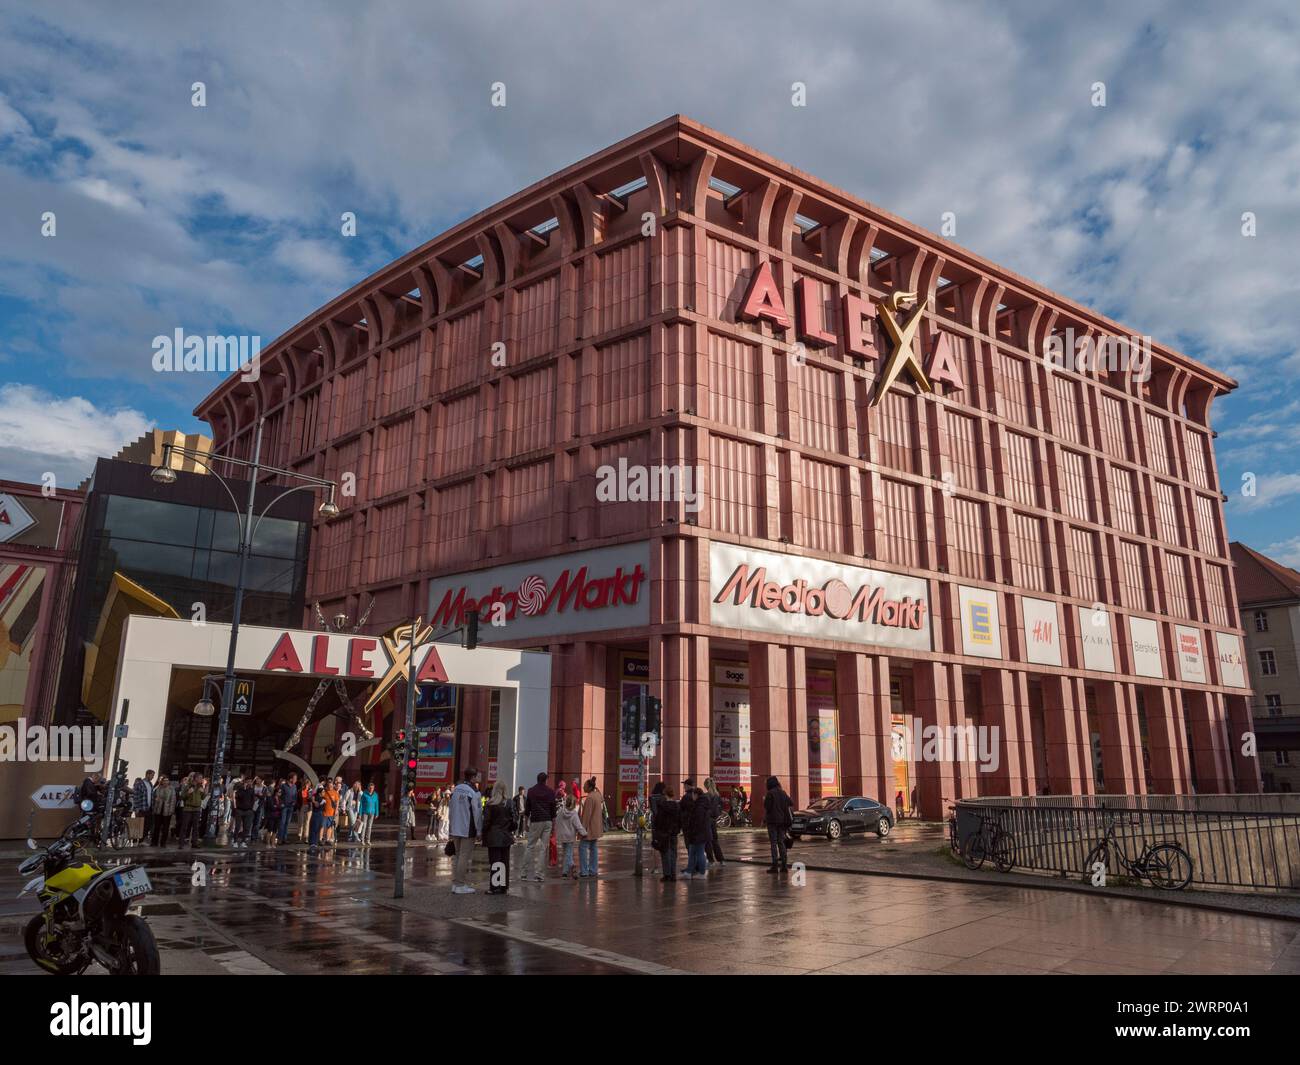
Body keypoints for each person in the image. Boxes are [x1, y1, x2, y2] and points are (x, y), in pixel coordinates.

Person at [449, 768, 483, 894]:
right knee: (464, 856)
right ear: (473, 778)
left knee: (457, 856)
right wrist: (479, 830)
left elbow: (451, 808)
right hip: (467, 827)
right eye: (476, 776)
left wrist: (450, 827)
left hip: (455, 827)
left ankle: (455, 883)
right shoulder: (474, 792)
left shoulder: (456, 788)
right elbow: (477, 813)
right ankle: (460, 884)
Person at [482, 781, 516, 894]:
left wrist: (483, 834)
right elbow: (514, 822)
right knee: (504, 861)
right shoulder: (509, 803)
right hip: (506, 835)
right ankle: (503, 886)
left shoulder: (490, 804)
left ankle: (494, 887)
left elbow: (486, 822)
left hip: (493, 835)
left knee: (495, 861)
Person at [523, 771, 557, 882]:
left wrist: (525, 823)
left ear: (537, 779)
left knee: (530, 846)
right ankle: (539, 874)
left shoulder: (531, 791)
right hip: (547, 821)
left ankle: (524, 873)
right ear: (545, 780)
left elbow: (527, 809)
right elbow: (553, 810)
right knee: (543, 848)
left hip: (536, 820)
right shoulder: (551, 792)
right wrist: (554, 825)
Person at [763, 775, 794, 873]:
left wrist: (764, 800)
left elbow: (767, 807)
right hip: (782, 822)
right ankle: (784, 866)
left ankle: (775, 866)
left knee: (773, 843)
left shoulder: (770, 793)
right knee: (781, 842)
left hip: (772, 822)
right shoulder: (783, 792)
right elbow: (791, 803)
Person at [651, 784, 681, 881]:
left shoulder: (662, 806)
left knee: (665, 853)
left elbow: (659, 820)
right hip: (674, 833)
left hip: (664, 833)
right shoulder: (677, 806)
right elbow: (680, 820)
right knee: (673, 853)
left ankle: (667, 875)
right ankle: (673, 874)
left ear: (665, 794)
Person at [555, 793, 586, 879]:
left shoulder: (561, 811)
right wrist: (584, 833)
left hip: (562, 836)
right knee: (568, 853)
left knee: (566, 854)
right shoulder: (574, 814)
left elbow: (557, 822)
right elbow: (578, 826)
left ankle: (564, 873)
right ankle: (572, 865)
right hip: (570, 836)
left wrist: (558, 831)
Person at [578, 777, 604, 878]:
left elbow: (586, 816)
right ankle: (593, 870)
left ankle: (584, 871)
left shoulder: (589, 798)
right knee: (593, 848)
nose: (583, 787)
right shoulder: (597, 795)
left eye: (585, 785)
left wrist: (582, 830)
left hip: (589, 828)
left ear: (589, 787)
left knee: (583, 848)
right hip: (597, 827)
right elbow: (602, 798)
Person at [683, 787, 711, 879]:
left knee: (699, 853)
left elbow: (697, 821)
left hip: (699, 833)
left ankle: (702, 873)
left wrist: (693, 831)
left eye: (693, 795)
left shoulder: (699, 806)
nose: (692, 797)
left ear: (696, 795)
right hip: (700, 833)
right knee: (692, 852)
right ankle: (689, 871)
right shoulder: (702, 804)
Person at [177, 773, 206, 848]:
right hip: (188, 809)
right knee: (184, 826)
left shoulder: (200, 786)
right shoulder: (188, 786)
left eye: (201, 778)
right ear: (195, 778)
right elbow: (182, 797)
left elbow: (203, 797)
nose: (201, 779)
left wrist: (203, 792)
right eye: (200, 778)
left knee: (196, 827)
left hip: (197, 809)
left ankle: (194, 843)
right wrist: (188, 793)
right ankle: (181, 843)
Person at [703, 777, 725, 866]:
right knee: (715, 840)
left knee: (708, 840)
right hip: (714, 820)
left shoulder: (705, 796)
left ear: (706, 785)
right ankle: (721, 859)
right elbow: (720, 808)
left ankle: (711, 860)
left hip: (707, 820)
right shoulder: (717, 795)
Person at [151, 775, 176, 847]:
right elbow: (154, 797)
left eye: (167, 780)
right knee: (156, 827)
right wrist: (156, 802)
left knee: (165, 828)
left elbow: (173, 800)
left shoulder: (171, 789)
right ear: (162, 781)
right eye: (164, 780)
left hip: (167, 811)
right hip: (158, 810)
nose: (166, 782)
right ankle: (154, 842)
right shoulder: (158, 788)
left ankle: (163, 843)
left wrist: (171, 811)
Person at [132, 770, 156, 845]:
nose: (153, 777)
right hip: (141, 807)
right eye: (152, 775)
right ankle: (135, 841)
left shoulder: (150, 784)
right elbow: (135, 796)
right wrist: (136, 808)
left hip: (148, 808)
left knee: (147, 825)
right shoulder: (140, 783)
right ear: (147, 775)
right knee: (138, 824)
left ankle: (141, 841)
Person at [233, 775, 256, 847]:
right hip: (240, 810)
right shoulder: (240, 788)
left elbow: (253, 799)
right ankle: (235, 841)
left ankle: (243, 841)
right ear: (245, 782)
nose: (249, 783)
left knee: (246, 827)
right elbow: (238, 796)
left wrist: (251, 809)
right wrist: (244, 789)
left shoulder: (252, 790)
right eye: (248, 781)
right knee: (237, 826)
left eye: (250, 782)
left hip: (248, 811)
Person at [550, 780, 568, 867]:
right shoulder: (561, 792)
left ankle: (552, 859)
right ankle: (565, 859)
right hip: (561, 818)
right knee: (565, 839)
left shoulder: (555, 792)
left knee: (553, 839)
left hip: (554, 818)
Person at [277, 773, 298, 844]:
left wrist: (294, 801)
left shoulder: (294, 786)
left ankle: (284, 838)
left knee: (287, 823)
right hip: (284, 807)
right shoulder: (283, 786)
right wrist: (281, 803)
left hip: (291, 807)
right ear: (290, 779)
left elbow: (295, 795)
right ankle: (279, 838)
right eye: (295, 778)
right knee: (282, 822)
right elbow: (279, 795)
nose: (296, 780)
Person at [358, 782, 379, 846]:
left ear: (374, 788)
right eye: (370, 788)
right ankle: (362, 840)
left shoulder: (375, 795)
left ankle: (368, 840)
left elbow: (376, 804)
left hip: (372, 812)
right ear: (368, 788)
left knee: (369, 827)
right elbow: (361, 804)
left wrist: (377, 812)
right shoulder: (364, 794)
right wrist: (360, 813)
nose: (371, 789)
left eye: (372, 788)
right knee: (364, 826)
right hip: (365, 812)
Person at [307, 784, 326, 852]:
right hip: (316, 814)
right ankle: (312, 842)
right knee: (314, 828)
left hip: (320, 814)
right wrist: (321, 802)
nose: (324, 793)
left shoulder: (322, 798)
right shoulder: (317, 797)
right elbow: (316, 805)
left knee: (318, 828)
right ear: (320, 792)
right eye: (323, 792)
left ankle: (315, 842)